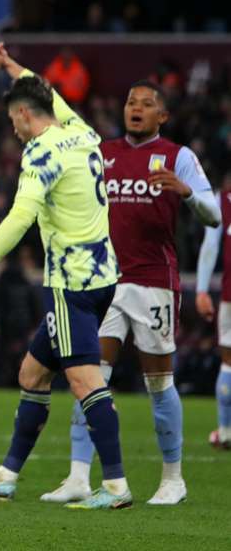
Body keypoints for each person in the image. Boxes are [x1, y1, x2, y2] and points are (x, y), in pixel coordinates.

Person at [0, 39, 131, 509]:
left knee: (85, 382)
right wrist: (9, 64)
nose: (14, 129)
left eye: (14, 119)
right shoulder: (81, 130)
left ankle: (115, 487)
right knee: (32, 373)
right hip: (102, 275)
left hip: (71, 284)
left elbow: (19, 217)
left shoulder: (41, 153)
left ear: (26, 115)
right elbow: (45, 90)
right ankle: (6, 477)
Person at [41, 81, 219, 505]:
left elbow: (214, 215)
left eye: (146, 104)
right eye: (130, 101)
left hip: (154, 282)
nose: (135, 108)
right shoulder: (102, 154)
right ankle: (79, 476)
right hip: (105, 283)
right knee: (89, 378)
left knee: (158, 382)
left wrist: (187, 192)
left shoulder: (179, 157)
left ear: (163, 116)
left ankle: (173, 478)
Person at [194, 172, 231, 451]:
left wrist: (202, 289)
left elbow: (210, 246)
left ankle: (225, 430)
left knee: (229, 362)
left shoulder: (223, 200)